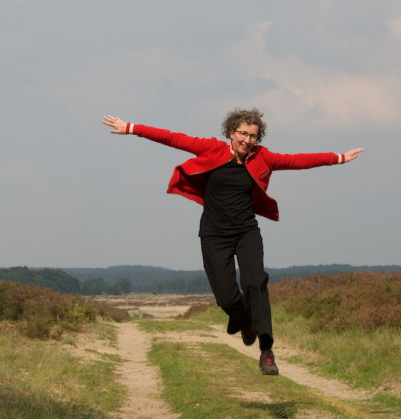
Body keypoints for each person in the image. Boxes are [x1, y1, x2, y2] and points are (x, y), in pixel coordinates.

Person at [102, 109, 364, 375]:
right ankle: (244, 319)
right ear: (231, 132)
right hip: (214, 235)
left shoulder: (263, 157)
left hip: (246, 232)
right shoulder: (211, 149)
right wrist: (131, 128)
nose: (247, 140)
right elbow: (172, 138)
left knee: (256, 282)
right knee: (227, 298)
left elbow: (297, 160)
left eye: (253, 136)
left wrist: (338, 158)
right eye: (242, 134)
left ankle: (266, 350)